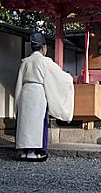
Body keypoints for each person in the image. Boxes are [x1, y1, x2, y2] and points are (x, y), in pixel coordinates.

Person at [14, 32, 74, 162]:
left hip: (25, 91)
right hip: (38, 93)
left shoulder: (25, 61)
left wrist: (17, 101)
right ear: (43, 48)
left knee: (25, 122)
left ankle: (23, 151)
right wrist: (69, 78)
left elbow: (19, 81)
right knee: (38, 122)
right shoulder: (45, 61)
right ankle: (34, 152)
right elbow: (60, 77)